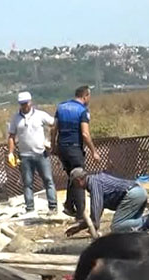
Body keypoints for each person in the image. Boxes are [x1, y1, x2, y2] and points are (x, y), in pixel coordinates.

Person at [53, 85, 100, 220]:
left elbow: (53, 129)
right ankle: (81, 214)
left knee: (72, 176)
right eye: (89, 96)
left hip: (62, 147)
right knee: (79, 178)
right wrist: (94, 151)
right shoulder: (82, 111)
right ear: (85, 96)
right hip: (74, 147)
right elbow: (85, 134)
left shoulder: (61, 107)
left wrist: (54, 145)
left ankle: (68, 205)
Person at [7, 91, 58, 213]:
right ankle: (29, 208)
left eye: (26, 103)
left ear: (30, 102)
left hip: (41, 153)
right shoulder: (15, 119)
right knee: (27, 183)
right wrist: (10, 152)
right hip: (25, 156)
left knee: (48, 180)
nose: (24, 106)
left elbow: (54, 124)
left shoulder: (40, 115)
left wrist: (51, 140)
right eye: (22, 104)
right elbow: (11, 136)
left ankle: (53, 206)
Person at [67, 167, 148, 234]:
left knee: (117, 226)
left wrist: (92, 227)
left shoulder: (94, 184)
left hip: (133, 194)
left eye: (74, 184)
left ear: (78, 181)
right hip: (139, 191)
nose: (76, 187)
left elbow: (95, 218)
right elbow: (96, 214)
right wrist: (79, 228)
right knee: (130, 229)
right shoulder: (96, 180)